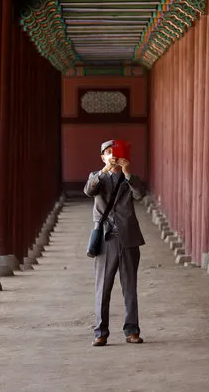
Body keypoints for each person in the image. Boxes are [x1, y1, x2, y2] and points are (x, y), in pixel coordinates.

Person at [84, 140, 146, 347]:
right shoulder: (97, 177)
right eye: (108, 153)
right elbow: (89, 191)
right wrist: (104, 170)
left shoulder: (131, 179)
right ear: (102, 157)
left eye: (116, 153)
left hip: (128, 238)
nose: (112, 156)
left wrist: (127, 172)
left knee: (130, 287)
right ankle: (100, 332)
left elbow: (140, 194)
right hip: (105, 238)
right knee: (103, 287)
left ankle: (132, 331)